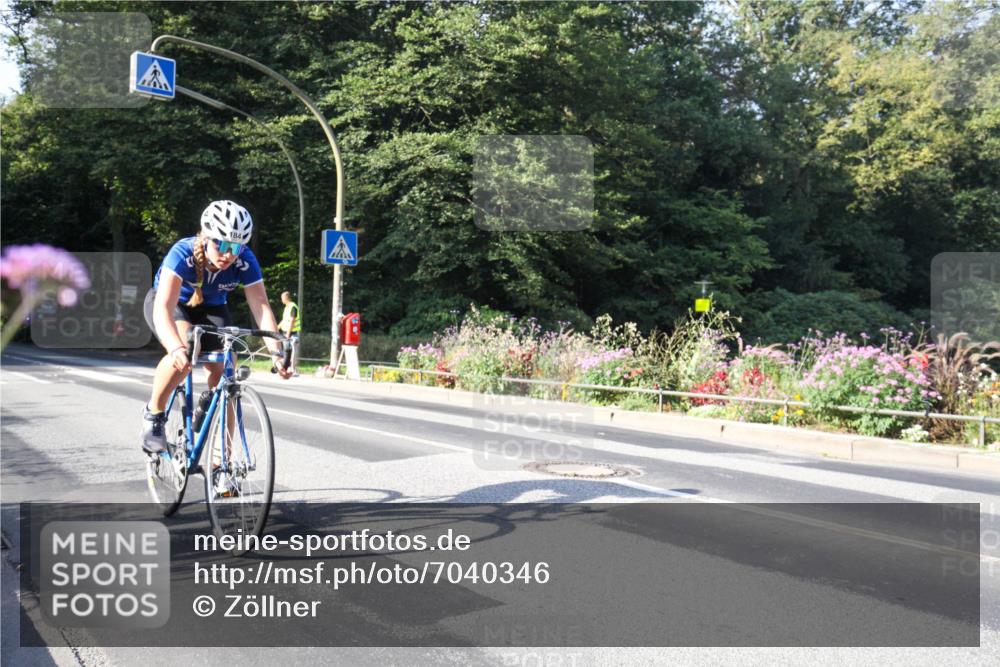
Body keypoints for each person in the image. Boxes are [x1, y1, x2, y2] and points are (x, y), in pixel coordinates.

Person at [141, 200, 291, 455]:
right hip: (172, 304)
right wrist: (175, 347)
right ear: (206, 237)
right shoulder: (182, 254)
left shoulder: (244, 260)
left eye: (235, 246)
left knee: (227, 367)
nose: (228, 254)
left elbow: (261, 306)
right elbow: (162, 308)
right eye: (220, 244)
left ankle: (223, 459)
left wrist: (277, 353)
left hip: (211, 307)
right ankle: (154, 414)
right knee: (187, 350)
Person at [278, 291, 301, 377]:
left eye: (282, 298)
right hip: (286, 333)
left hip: (292, 334)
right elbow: (284, 320)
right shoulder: (287, 307)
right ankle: (287, 368)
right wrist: (277, 328)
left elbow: (292, 321)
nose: (281, 300)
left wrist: (288, 333)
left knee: (293, 351)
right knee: (286, 351)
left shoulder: (292, 307)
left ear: (285, 298)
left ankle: (294, 369)